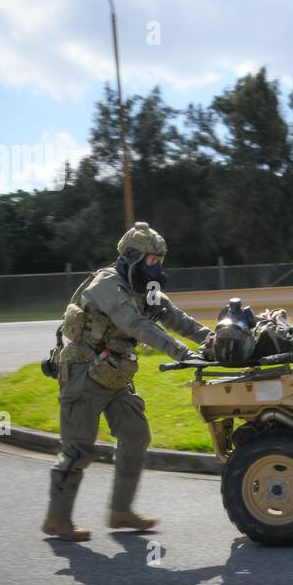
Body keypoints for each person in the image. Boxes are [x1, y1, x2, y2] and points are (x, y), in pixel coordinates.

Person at [43, 222, 212, 541]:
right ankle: (57, 519)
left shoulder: (144, 287)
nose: (157, 267)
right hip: (82, 371)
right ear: (132, 257)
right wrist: (179, 351)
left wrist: (214, 339)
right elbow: (132, 323)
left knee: (136, 436)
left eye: (160, 260)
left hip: (115, 372)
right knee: (78, 449)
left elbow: (175, 318)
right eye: (151, 260)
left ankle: (120, 512)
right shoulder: (108, 282)